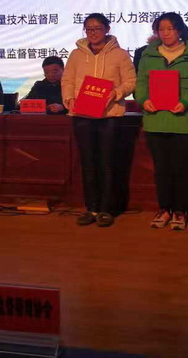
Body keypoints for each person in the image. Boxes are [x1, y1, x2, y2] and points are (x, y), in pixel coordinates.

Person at [135, 12, 188, 231]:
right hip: (155, 120)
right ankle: (164, 209)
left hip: (182, 122)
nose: (165, 33)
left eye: (170, 28)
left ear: (179, 30)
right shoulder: (147, 54)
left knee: (182, 169)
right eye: (161, 29)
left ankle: (181, 211)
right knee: (161, 169)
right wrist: (143, 100)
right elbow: (140, 84)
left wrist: (185, 102)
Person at [61, 13, 136, 228]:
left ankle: (106, 209)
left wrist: (116, 93)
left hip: (109, 116)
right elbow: (67, 80)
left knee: (107, 163)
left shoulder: (120, 54)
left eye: (97, 28)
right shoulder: (76, 54)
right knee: (88, 163)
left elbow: (131, 81)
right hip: (82, 116)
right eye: (89, 29)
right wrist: (69, 98)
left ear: (107, 29)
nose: (93, 33)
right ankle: (91, 208)